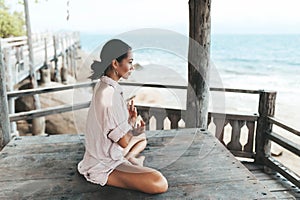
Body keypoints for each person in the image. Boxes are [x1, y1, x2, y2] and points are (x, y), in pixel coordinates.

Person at [78, 39, 168, 194]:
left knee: (142, 139)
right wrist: (133, 129)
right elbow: (124, 141)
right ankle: (131, 163)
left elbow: (114, 130)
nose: (132, 67)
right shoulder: (109, 95)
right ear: (115, 63)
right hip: (103, 165)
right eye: (130, 62)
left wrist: (131, 121)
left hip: (106, 152)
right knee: (159, 182)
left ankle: (131, 161)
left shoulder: (104, 85)